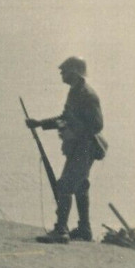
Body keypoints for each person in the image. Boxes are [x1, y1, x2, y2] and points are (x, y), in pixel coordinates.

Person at [26, 57, 105, 244]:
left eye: (64, 72)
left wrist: (74, 133)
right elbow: (65, 118)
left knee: (65, 185)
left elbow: (97, 126)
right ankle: (84, 229)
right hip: (79, 146)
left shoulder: (87, 95)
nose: (62, 74)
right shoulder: (75, 92)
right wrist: (40, 123)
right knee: (80, 185)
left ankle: (61, 231)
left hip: (84, 147)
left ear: (75, 73)